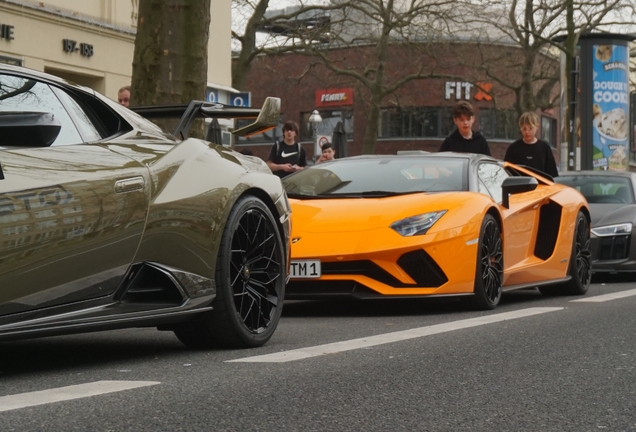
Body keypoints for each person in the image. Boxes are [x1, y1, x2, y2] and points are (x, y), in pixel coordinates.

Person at [504, 111, 559, 177]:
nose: (527, 132)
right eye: (524, 129)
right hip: (520, 186)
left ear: (537, 127)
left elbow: (552, 174)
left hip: (541, 186)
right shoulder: (513, 148)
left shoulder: (544, 148)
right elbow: (506, 172)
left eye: (530, 128)